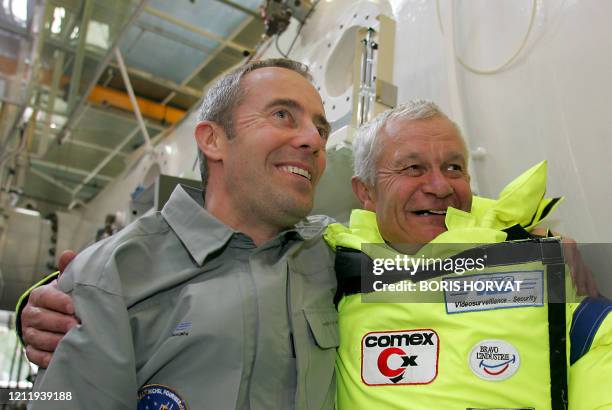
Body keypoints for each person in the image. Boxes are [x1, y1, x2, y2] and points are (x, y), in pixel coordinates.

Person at [24, 58, 338, 410]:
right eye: (282, 115)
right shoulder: (111, 276)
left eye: (321, 130)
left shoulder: (336, 255)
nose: (314, 140)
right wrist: (74, 288)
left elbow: (410, 278)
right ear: (213, 139)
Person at [324, 100, 611, 409]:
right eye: (412, 167)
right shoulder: (321, 267)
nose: (439, 186)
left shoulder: (541, 268)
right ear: (366, 191)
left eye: (453, 167)